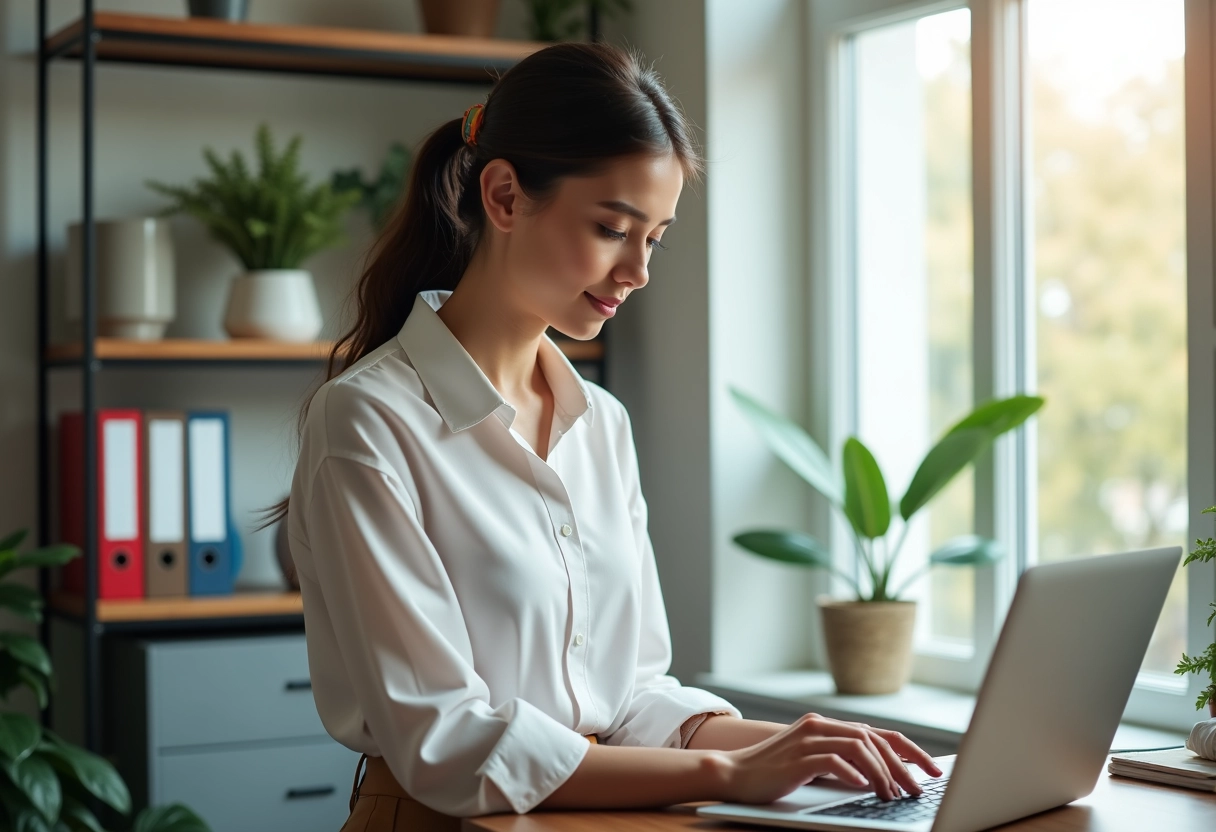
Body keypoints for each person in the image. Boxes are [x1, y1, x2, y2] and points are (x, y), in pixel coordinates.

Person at [261, 41, 941, 832]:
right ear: (505, 196)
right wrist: (730, 773)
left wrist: (812, 747)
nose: (638, 271)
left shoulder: (601, 423)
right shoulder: (369, 421)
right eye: (614, 228)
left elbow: (633, 696)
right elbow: (446, 742)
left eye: (654, 238)